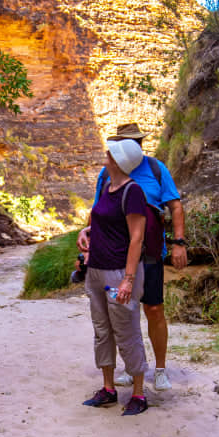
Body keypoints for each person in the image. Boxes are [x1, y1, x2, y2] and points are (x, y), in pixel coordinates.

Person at [78, 122, 187, 391]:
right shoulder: (107, 173)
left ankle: (160, 369)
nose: (132, 146)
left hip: (149, 253)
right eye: (126, 143)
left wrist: (179, 242)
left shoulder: (155, 169)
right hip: (114, 257)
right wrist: (88, 234)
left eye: (135, 141)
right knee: (122, 314)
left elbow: (175, 206)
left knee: (153, 309)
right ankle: (131, 368)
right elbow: (99, 211)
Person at [79, 136, 156, 416]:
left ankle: (138, 392)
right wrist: (85, 232)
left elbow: (136, 239)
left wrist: (128, 279)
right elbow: (98, 220)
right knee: (102, 330)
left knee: (126, 329)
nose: (106, 154)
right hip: (97, 272)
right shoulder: (107, 187)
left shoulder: (132, 192)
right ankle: (109, 388)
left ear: (120, 160)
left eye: (111, 153)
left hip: (118, 275)